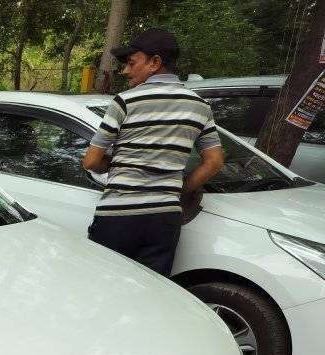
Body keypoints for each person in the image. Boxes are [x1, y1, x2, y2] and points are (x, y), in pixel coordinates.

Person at [82, 29, 225, 276]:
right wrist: (180, 188)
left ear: (155, 62)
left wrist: (120, 165)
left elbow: (91, 161)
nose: (125, 71)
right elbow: (214, 162)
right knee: (150, 294)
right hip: (164, 220)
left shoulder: (125, 101)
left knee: (101, 290)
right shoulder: (200, 106)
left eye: (131, 63)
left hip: (118, 216)